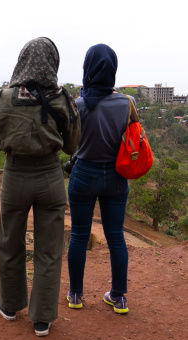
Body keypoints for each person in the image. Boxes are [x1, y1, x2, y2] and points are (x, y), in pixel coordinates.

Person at [0, 37, 80, 337]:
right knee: (49, 250)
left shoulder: (5, 97)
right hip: (51, 176)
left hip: (15, 176)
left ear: (23, 59)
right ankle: (42, 319)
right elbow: (72, 145)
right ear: (53, 61)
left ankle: (10, 306)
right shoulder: (63, 98)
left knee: (9, 241)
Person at [67, 44, 130, 314]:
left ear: (87, 69)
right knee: (116, 237)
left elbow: (69, 144)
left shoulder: (78, 104)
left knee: (79, 236)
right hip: (116, 176)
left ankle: (75, 295)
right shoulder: (128, 103)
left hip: (83, 174)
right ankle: (118, 297)